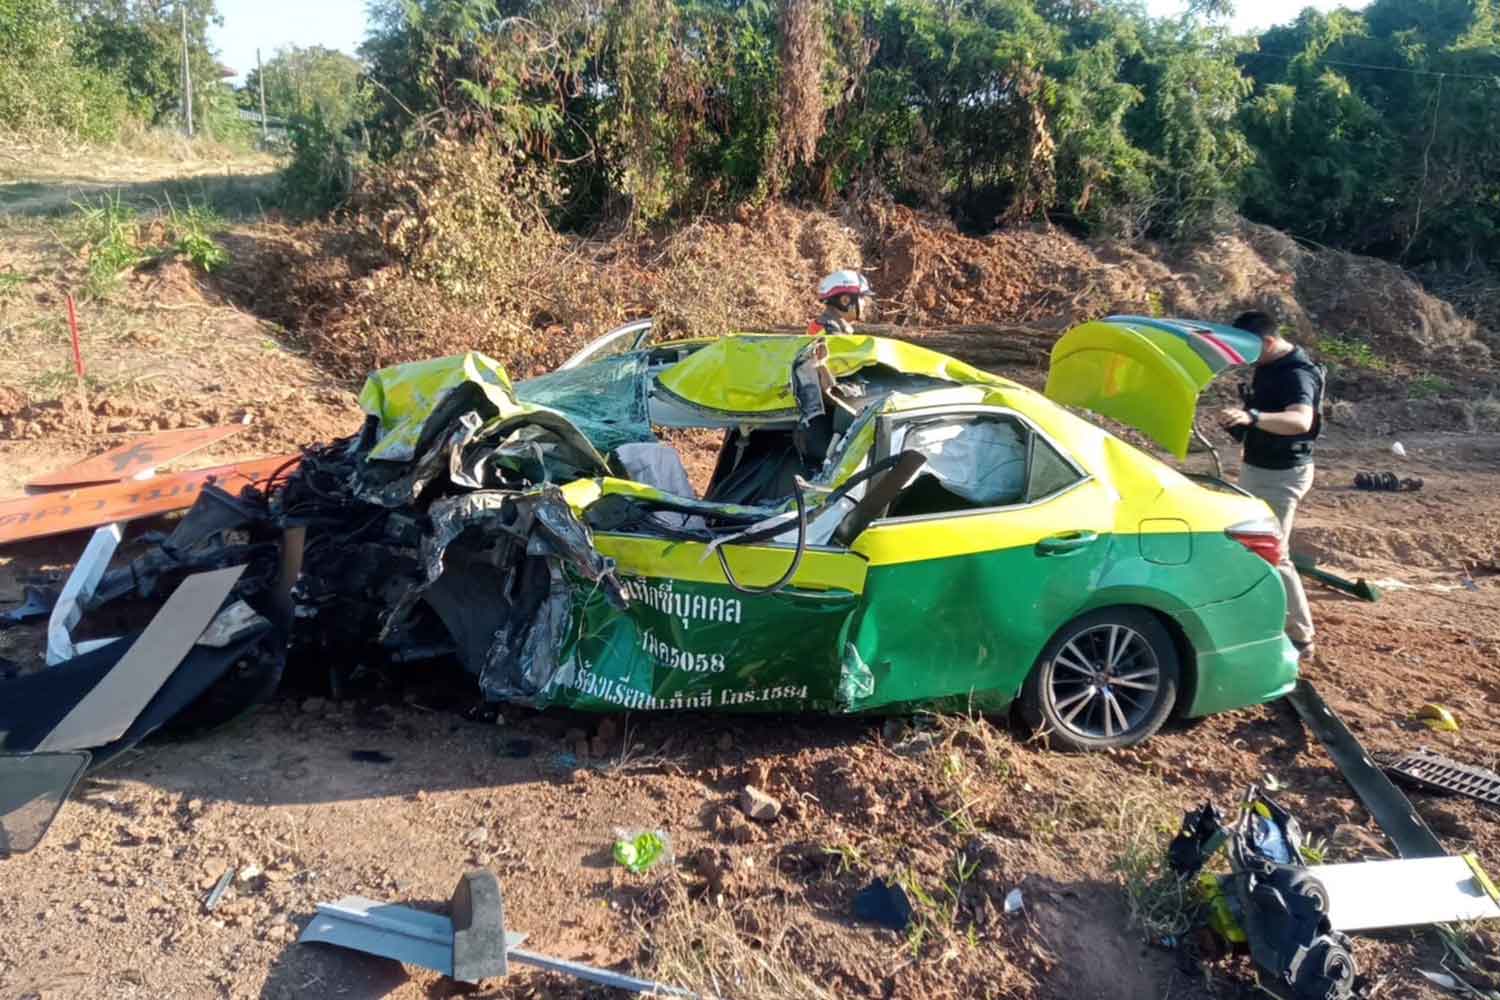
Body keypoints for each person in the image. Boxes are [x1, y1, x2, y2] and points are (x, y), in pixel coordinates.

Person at [1218, 310, 1323, 658]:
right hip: (1259, 465)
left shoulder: (1297, 374)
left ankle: (1300, 637)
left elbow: (1300, 420)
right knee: (1251, 546)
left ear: (1266, 342)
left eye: (1248, 349)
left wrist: (1254, 417)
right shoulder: (1268, 365)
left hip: (1282, 474)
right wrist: (1245, 422)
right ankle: (1260, 616)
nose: (1243, 358)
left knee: (1274, 553)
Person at [808, 270, 873, 335]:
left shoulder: (824, 325)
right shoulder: (830, 330)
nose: (864, 303)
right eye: (861, 297)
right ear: (845, 300)